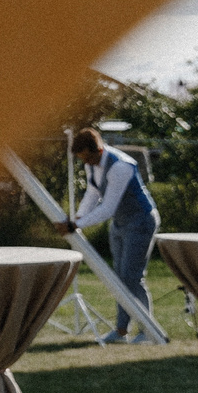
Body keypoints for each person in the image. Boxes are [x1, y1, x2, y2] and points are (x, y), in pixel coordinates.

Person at [57, 126, 161, 344]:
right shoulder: (93, 165)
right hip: (121, 224)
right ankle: (122, 332)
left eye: (87, 158)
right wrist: (77, 219)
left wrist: (77, 225)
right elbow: (93, 193)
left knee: (132, 278)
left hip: (140, 221)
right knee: (118, 279)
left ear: (98, 151)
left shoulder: (120, 166)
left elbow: (108, 208)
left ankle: (148, 331)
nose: (85, 163)